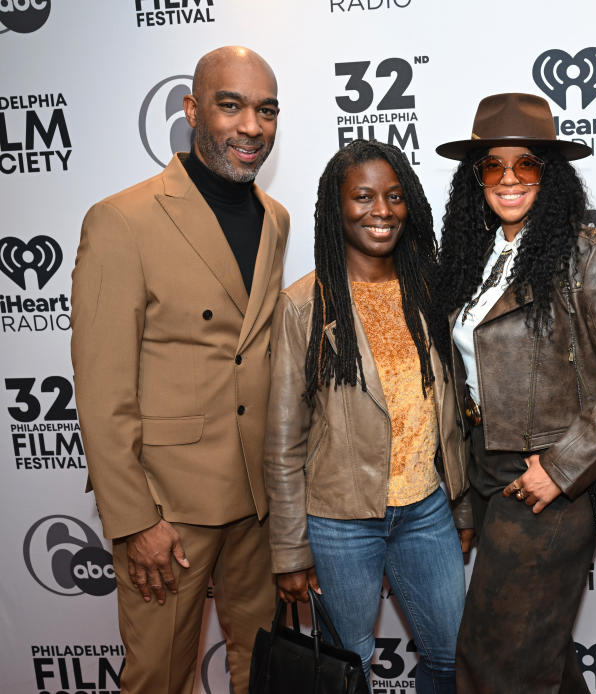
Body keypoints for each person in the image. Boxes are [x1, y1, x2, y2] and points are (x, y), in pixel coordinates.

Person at [70, 46, 288, 694]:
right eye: (231, 105)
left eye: (266, 110)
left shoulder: (273, 218)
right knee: (160, 680)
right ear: (192, 109)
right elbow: (101, 387)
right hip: (169, 511)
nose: (251, 125)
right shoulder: (122, 219)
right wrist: (137, 520)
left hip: (256, 502)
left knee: (264, 671)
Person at [433, 93, 596, 694]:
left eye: (527, 164)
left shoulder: (587, 252)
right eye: (493, 166)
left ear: (551, 173)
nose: (509, 179)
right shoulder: (476, 257)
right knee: (539, 656)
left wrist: (562, 468)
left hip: (547, 484)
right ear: (475, 178)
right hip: (490, 472)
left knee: (494, 663)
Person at [263, 139, 471, 694]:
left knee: (453, 658)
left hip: (426, 510)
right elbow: (283, 443)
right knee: (347, 670)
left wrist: (462, 503)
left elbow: (451, 411)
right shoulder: (304, 305)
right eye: (363, 196)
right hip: (340, 523)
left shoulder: (429, 290)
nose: (382, 210)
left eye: (395, 196)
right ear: (336, 207)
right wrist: (289, 551)